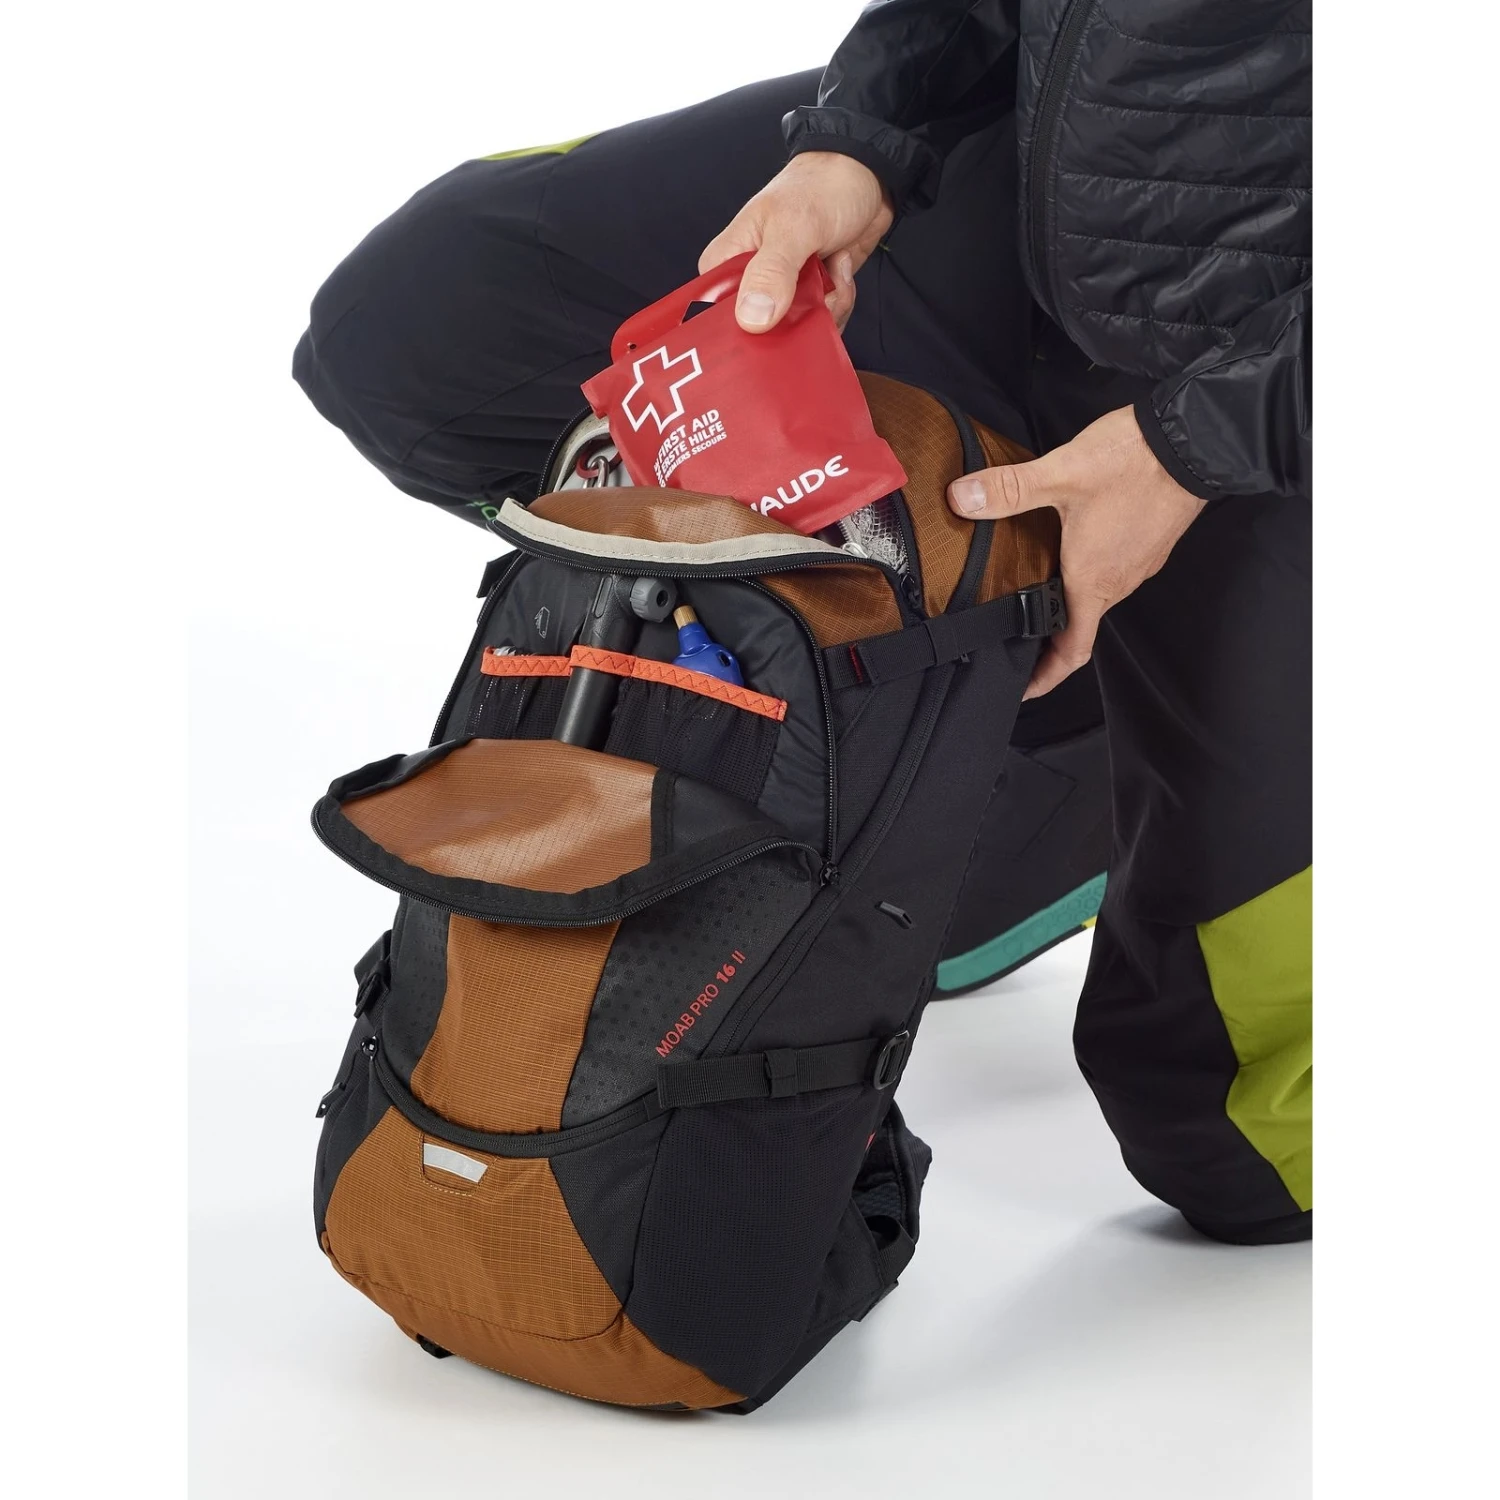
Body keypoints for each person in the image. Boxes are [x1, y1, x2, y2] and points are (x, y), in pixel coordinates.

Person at [293, 0, 1310, 1245]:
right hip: (1053, 161)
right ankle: (1005, 740)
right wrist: (864, 135)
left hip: (1294, 355)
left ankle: (1127, 735)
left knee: (1250, 1153)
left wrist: (1202, 443)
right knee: (411, 324)